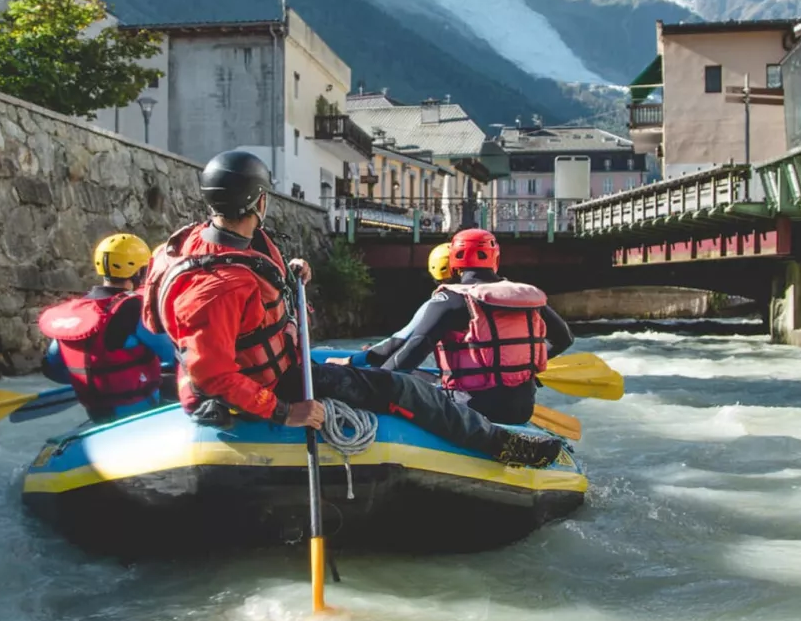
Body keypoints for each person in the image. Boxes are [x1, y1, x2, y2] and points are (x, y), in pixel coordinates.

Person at [143, 151, 564, 467]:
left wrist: (288, 275)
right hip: (274, 383)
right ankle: (499, 445)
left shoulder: (195, 242)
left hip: (265, 363)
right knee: (406, 389)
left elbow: (176, 314)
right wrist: (286, 412)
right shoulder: (218, 288)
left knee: (381, 376)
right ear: (259, 202)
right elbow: (213, 373)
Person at [362, 228, 574, 425]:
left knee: (408, 381)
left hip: (469, 411)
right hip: (521, 410)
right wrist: (524, 364)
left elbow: (411, 354)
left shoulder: (450, 299)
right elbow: (564, 339)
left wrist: (370, 383)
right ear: (496, 259)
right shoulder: (526, 296)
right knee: (423, 376)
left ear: (454, 260)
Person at [38, 233, 178, 423]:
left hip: (96, 411)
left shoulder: (76, 313)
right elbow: (172, 355)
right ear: (139, 272)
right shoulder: (135, 308)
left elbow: (53, 368)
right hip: (141, 410)